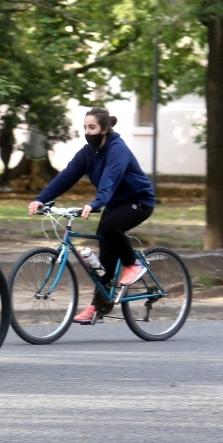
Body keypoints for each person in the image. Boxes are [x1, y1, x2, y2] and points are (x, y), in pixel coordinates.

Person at [28, 107, 156, 324]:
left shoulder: (118, 149)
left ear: (105, 129)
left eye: (92, 127)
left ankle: (134, 264)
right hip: (115, 203)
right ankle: (99, 306)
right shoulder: (88, 153)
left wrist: (96, 203)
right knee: (104, 258)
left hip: (139, 201)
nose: (87, 132)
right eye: (85, 128)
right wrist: (41, 198)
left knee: (110, 228)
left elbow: (110, 179)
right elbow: (67, 176)